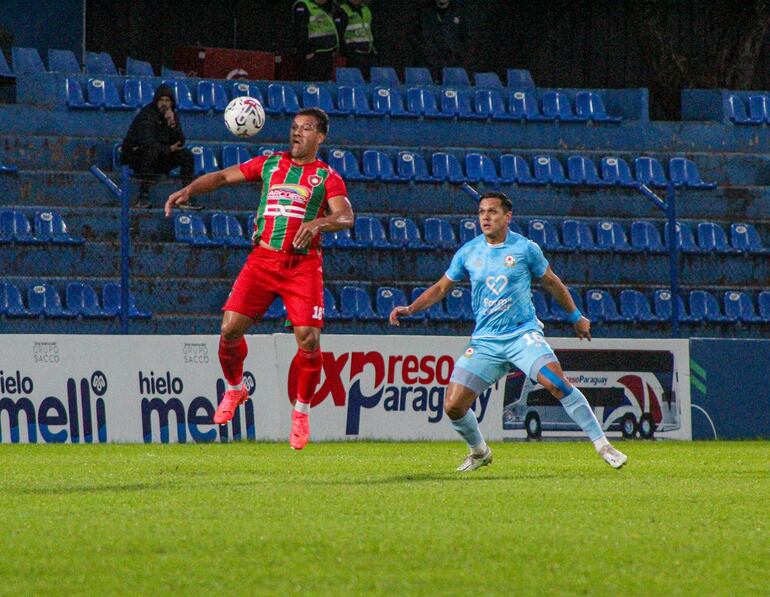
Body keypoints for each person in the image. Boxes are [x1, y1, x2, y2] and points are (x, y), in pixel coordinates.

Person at [389, 192, 628, 472]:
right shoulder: (469, 252)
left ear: (507, 216)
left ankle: (604, 446)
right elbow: (441, 288)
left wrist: (576, 316)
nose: (486, 217)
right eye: (481, 212)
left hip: (521, 336)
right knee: (453, 406)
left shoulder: (526, 249)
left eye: (492, 212)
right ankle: (479, 452)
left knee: (557, 384)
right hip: (485, 342)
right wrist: (411, 308)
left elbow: (552, 283)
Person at [164, 108, 353, 450]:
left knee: (308, 339)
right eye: (294, 127)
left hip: (302, 265)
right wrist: (189, 190)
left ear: (320, 138)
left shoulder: (327, 177)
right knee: (229, 330)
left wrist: (317, 224)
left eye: (306, 129)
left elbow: (345, 216)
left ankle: (300, 413)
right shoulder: (269, 164)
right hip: (263, 259)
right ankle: (236, 389)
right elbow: (222, 178)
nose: (297, 133)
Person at [121, 85, 200, 210]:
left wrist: (172, 125)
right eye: (161, 100)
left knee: (186, 155)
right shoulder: (147, 115)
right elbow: (147, 142)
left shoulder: (172, 116)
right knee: (151, 151)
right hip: (136, 158)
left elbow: (180, 142)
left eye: (167, 101)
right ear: (156, 101)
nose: (164, 104)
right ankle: (143, 196)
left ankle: (185, 197)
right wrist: (168, 149)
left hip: (160, 157)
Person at [413, 0, 467, 82]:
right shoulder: (424, 13)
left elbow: (466, 36)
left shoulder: (458, 12)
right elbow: (413, 35)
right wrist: (425, 50)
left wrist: (457, 51)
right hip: (428, 62)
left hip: (452, 62)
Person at [292, 0, 345, 82]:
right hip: (313, 53)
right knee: (312, 83)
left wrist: (335, 48)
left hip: (327, 52)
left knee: (325, 82)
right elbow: (300, 30)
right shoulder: (303, 5)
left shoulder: (329, 8)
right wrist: (307, 51)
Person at [339, 0, 377, 79]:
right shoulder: (342, 10)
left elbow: (371, 28)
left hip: (369, 51)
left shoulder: (365, 9)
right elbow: (339, 34)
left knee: (370, 81)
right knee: (356, 80)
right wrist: (348, 52)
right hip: (354, 53)